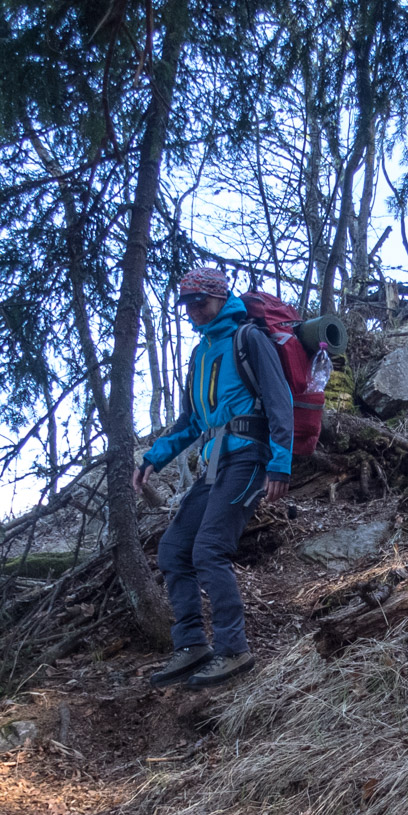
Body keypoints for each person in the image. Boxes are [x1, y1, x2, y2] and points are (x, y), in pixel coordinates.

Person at [134, 267, 294, 689]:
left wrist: (280, 464)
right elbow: (191, 421)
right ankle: (191, 646)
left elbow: (280, 403)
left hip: (248, 458)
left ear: (221, 299)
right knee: (172, 550)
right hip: (213, 464)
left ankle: (233, 649)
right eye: (186, 305)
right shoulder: (201, 354)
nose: (193, 312)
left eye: (200, 303)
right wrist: (155, 458)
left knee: (208, 549)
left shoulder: (249, 339)